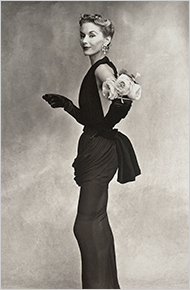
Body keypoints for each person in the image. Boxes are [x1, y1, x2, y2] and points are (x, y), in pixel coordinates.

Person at [42, 13, 141, 289]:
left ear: (106, 40)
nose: (85, 40)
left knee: (85, 225)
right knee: (96, 222)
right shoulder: (97, 68)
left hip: (100, 149)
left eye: (92, 35)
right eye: (83, 35)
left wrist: (121, 94)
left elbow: (115, 106)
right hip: (99, 146)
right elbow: (94, 118)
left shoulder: (101, 69)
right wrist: (68, 106)